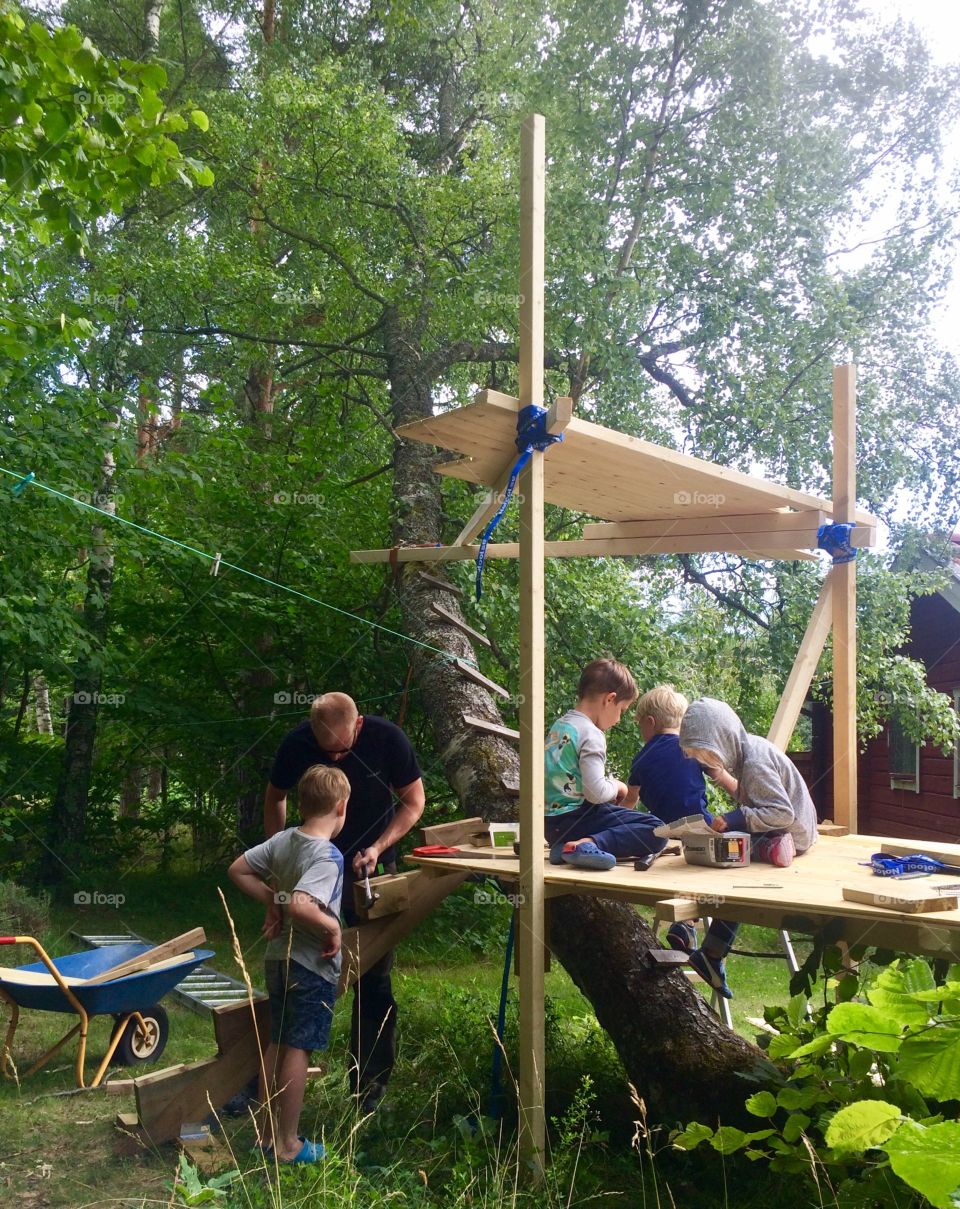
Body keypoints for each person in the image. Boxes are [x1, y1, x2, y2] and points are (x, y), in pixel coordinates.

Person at [264, 692, 425, 1113]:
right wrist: (280, 873)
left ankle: (368, 1088)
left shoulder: (389, 739)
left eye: (341, 749)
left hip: (371, 876)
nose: (334, 758)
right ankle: (269, 1082)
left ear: (358, 726)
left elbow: (414, 802)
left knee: (373, 980)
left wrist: (378, 846)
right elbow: (274, 799)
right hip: (310, 883)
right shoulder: (297, 743)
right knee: (295, 974)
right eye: (325, 750)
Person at [228, 764, 348, 1164]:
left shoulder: (283, 840)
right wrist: (332, 926)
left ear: (301, 804)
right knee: (299, 1048)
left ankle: (264, 1135)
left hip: (277, 959)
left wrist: (270, 900)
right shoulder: (327, 855)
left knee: (276, 1043)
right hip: (309, 966)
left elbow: (238, 869)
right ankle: (287, 1144)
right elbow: (301, 903)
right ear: (341, 807)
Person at [678, 697, 818, 999]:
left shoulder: (753, 762)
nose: (705, 763)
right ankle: (711, 954)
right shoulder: (750, 751)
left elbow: (782, 813)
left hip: (790, 832)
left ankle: (771, 849)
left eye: (708, 757)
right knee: (734, 866)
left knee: (732, 852)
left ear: (723, 741)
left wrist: (734, 818)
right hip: (790, 829)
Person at [544, 658, 666, 871]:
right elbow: (595, 793)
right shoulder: (591, 733)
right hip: (578, 817)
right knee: (659, 830)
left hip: (551, 825)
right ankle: (587, 844)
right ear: (610, 699)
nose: (618, 719)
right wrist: (618, 786)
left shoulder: (559, 726)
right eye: (622, 709)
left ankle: (564, 846)